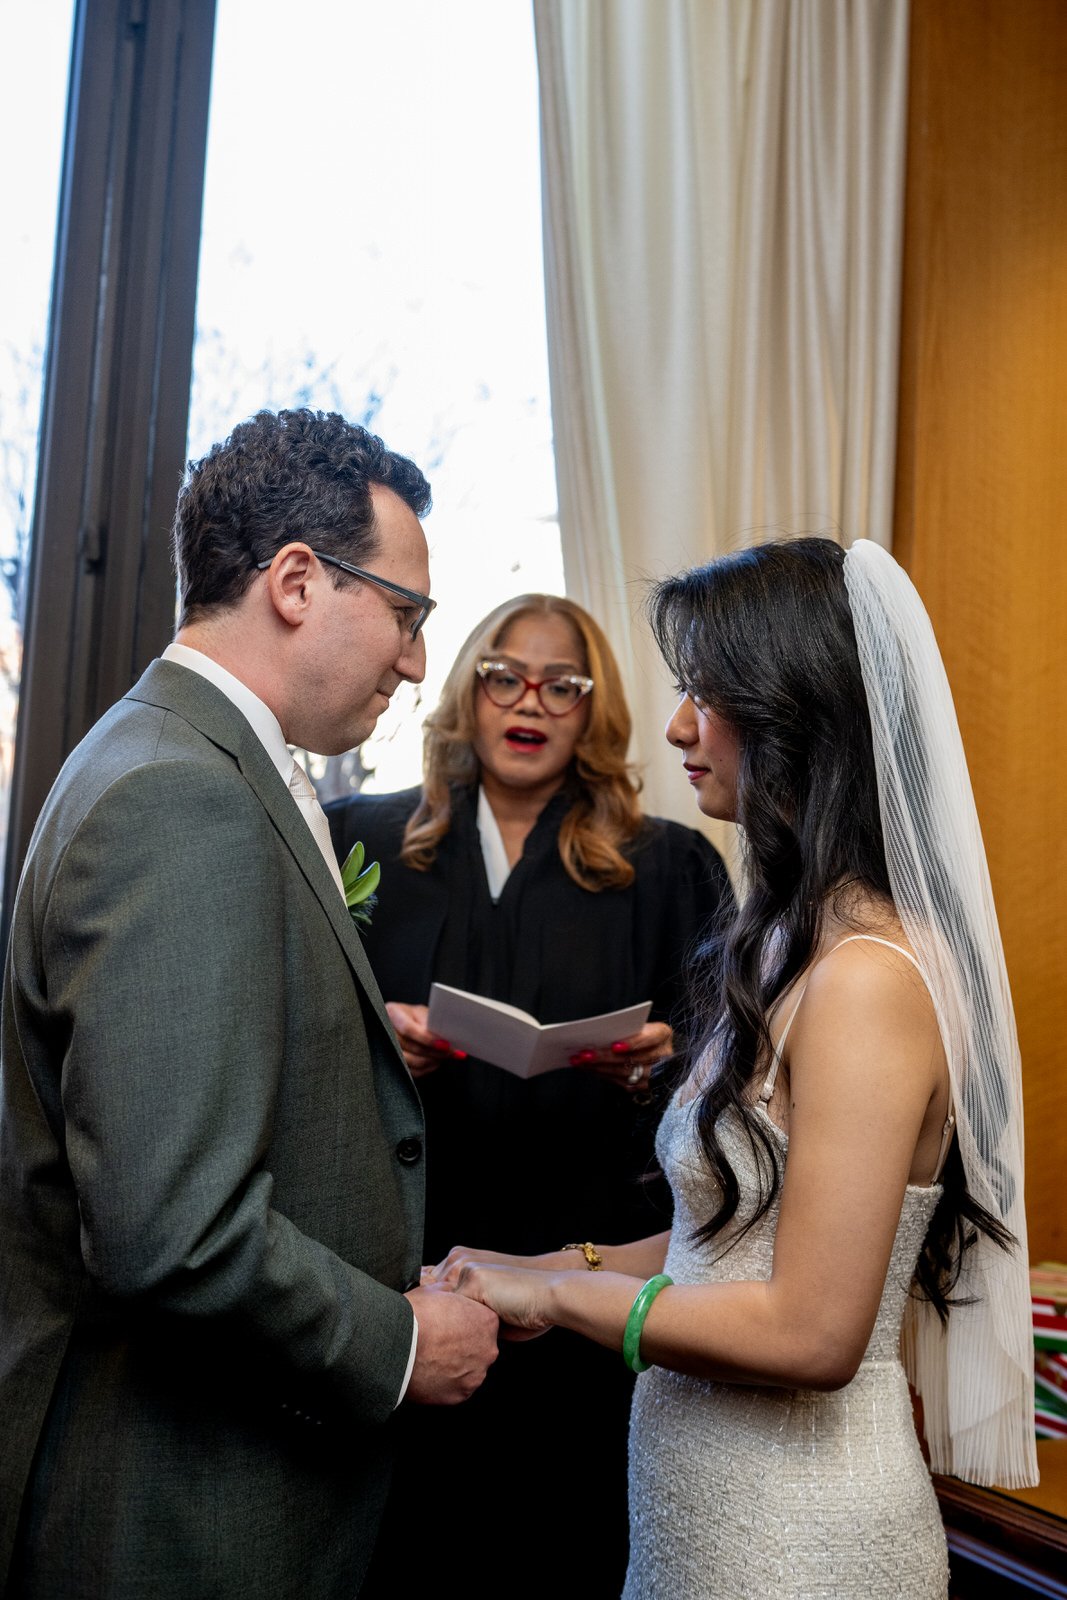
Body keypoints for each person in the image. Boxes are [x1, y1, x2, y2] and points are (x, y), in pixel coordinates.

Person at [434, 539, 1038, 1599]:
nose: (676, 728)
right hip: (704, 1509)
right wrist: (556, 1255)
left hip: (796, 1537)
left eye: (702, 696)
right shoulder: (786, 946)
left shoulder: (866, 979)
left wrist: (560, 1297)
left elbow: (811, 1330)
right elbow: (737, 1239)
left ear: (790, 712)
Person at [0, 408, 499, 1600]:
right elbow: (172, 1231)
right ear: (293, 581)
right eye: (407, 613)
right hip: (177, 1507)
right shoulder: (180, 794)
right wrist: (400, 1345)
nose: (419, 662)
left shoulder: (175, 754)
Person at [326, 593, 733, 1595]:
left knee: (557, 1552)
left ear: (591, 712)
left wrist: (663, 1060)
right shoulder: (358, 839)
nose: (530, 700)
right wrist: (373, 1037)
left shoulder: (666, 864)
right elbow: (286, 1031)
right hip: (405, 1274)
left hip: (581, 1285)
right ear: (467, 689)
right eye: (504, 674)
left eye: (564, 684)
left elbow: (741, 1080)